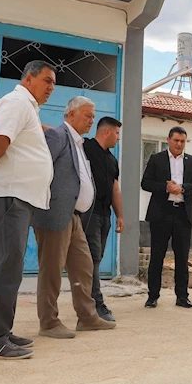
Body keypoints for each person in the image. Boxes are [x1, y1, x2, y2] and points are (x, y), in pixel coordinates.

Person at [0, 60, 56, 360]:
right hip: (6, 197)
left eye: (53, 83)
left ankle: (1, 331)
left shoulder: (27, 108)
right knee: (5, 268)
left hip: (15, 198)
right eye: (47, 80)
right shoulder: (17, 102)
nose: (51, 87)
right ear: (28, 79)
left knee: (10, 269)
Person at [31, 96, 115, 337]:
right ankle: (48, 322)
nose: (91, 120)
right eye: (87, 115)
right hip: (55, 214)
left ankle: (87, 317)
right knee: (51, 270)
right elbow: (40, 168)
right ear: (71, 115)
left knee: (83, 266)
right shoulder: (57, 136)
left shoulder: (78, 143)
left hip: (75, 217)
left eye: (93, 116)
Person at [141, 126, 192, 308]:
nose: (179, 144)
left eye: (182, 141)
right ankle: (153, 296)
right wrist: (165, 187)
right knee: (157, 256)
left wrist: (182, 188)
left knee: (182, 257)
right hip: (161, 213)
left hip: (183, 214)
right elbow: (145, 183)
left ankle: (182, 297)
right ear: (168, 140)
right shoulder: (156, 159)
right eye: (176, 140)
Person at [82, 116, 124, 322]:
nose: (118, 138)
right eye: (117, 133)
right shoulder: (85, 147)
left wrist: (120, 215)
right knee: (92, 260)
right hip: (88, 214)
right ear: (107, 132)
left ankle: (88, 301)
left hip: (105, 216)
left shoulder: (112, 160)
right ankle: (97, 304)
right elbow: (58, 132)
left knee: (95, 259)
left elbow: (115, 189)